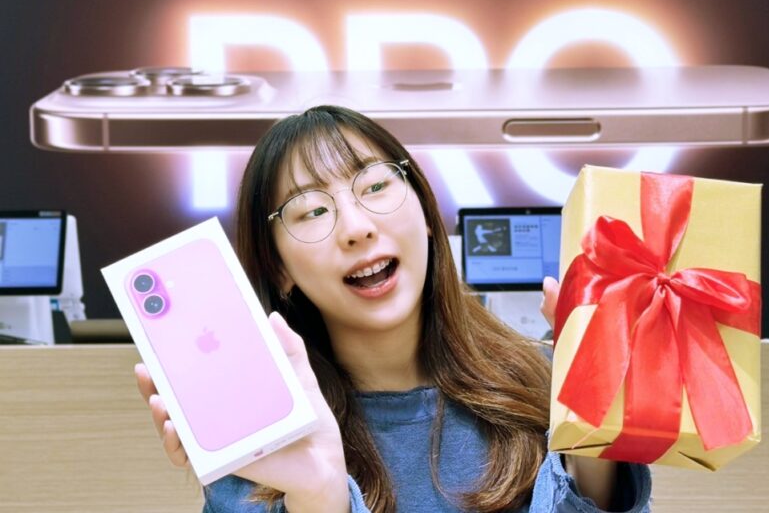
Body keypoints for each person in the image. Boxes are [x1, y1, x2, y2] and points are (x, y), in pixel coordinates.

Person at [135, 105, 651, 513]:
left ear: (425, 212)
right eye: (312, 211)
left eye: (376, 186)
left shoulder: (549, 380)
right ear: (278, 267)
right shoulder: (263, 440)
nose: (356, 227)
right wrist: (319, 497)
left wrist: (592, 432)